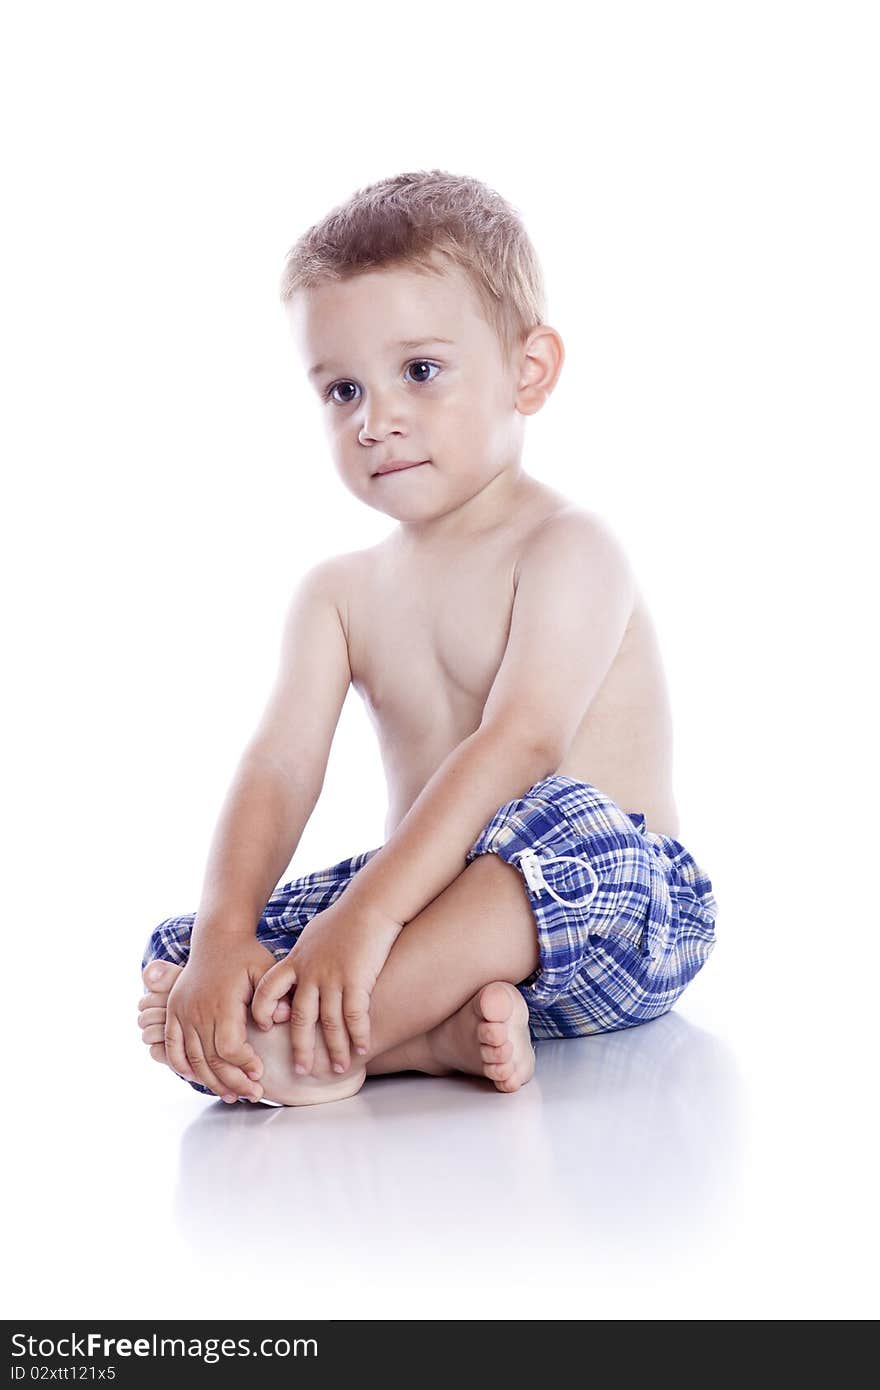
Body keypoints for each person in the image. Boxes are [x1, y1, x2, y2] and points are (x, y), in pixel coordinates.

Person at [137, 169, 718, 1108]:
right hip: (431, 920)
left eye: (419, 372)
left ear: (527, 372)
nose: (377, 420)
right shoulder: (338, 594)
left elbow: (522, 744)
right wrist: (222, 937)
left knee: (569, 824)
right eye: (340, 390)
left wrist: (368, 916)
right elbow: (280, 768)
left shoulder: (570, 548)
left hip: (608, 914)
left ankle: (314, 1045)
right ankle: (425, 1036)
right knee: (183, 951)